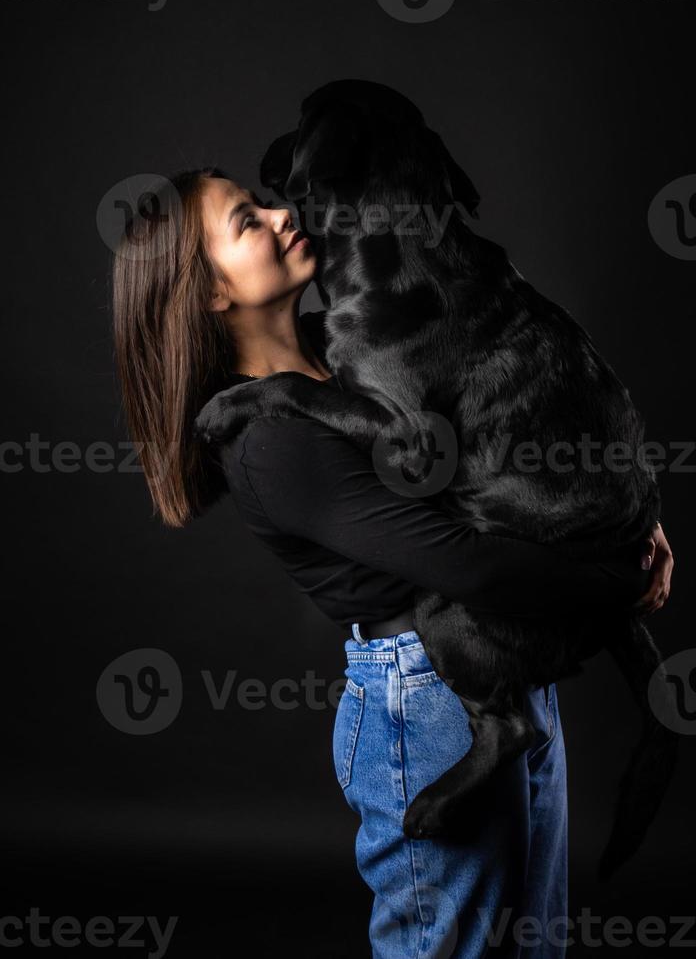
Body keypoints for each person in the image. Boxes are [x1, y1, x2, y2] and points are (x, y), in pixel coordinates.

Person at [111, 167, 674, 958]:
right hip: (430, 710)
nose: (280, 215)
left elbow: (495, 447)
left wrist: (619, 517)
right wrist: (614, 578)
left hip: (502, 675)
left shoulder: (345, 350)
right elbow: (465, 563)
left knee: (531, 948)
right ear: (211, 293)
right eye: (247, 222)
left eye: (265, 203)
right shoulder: (270, 443)